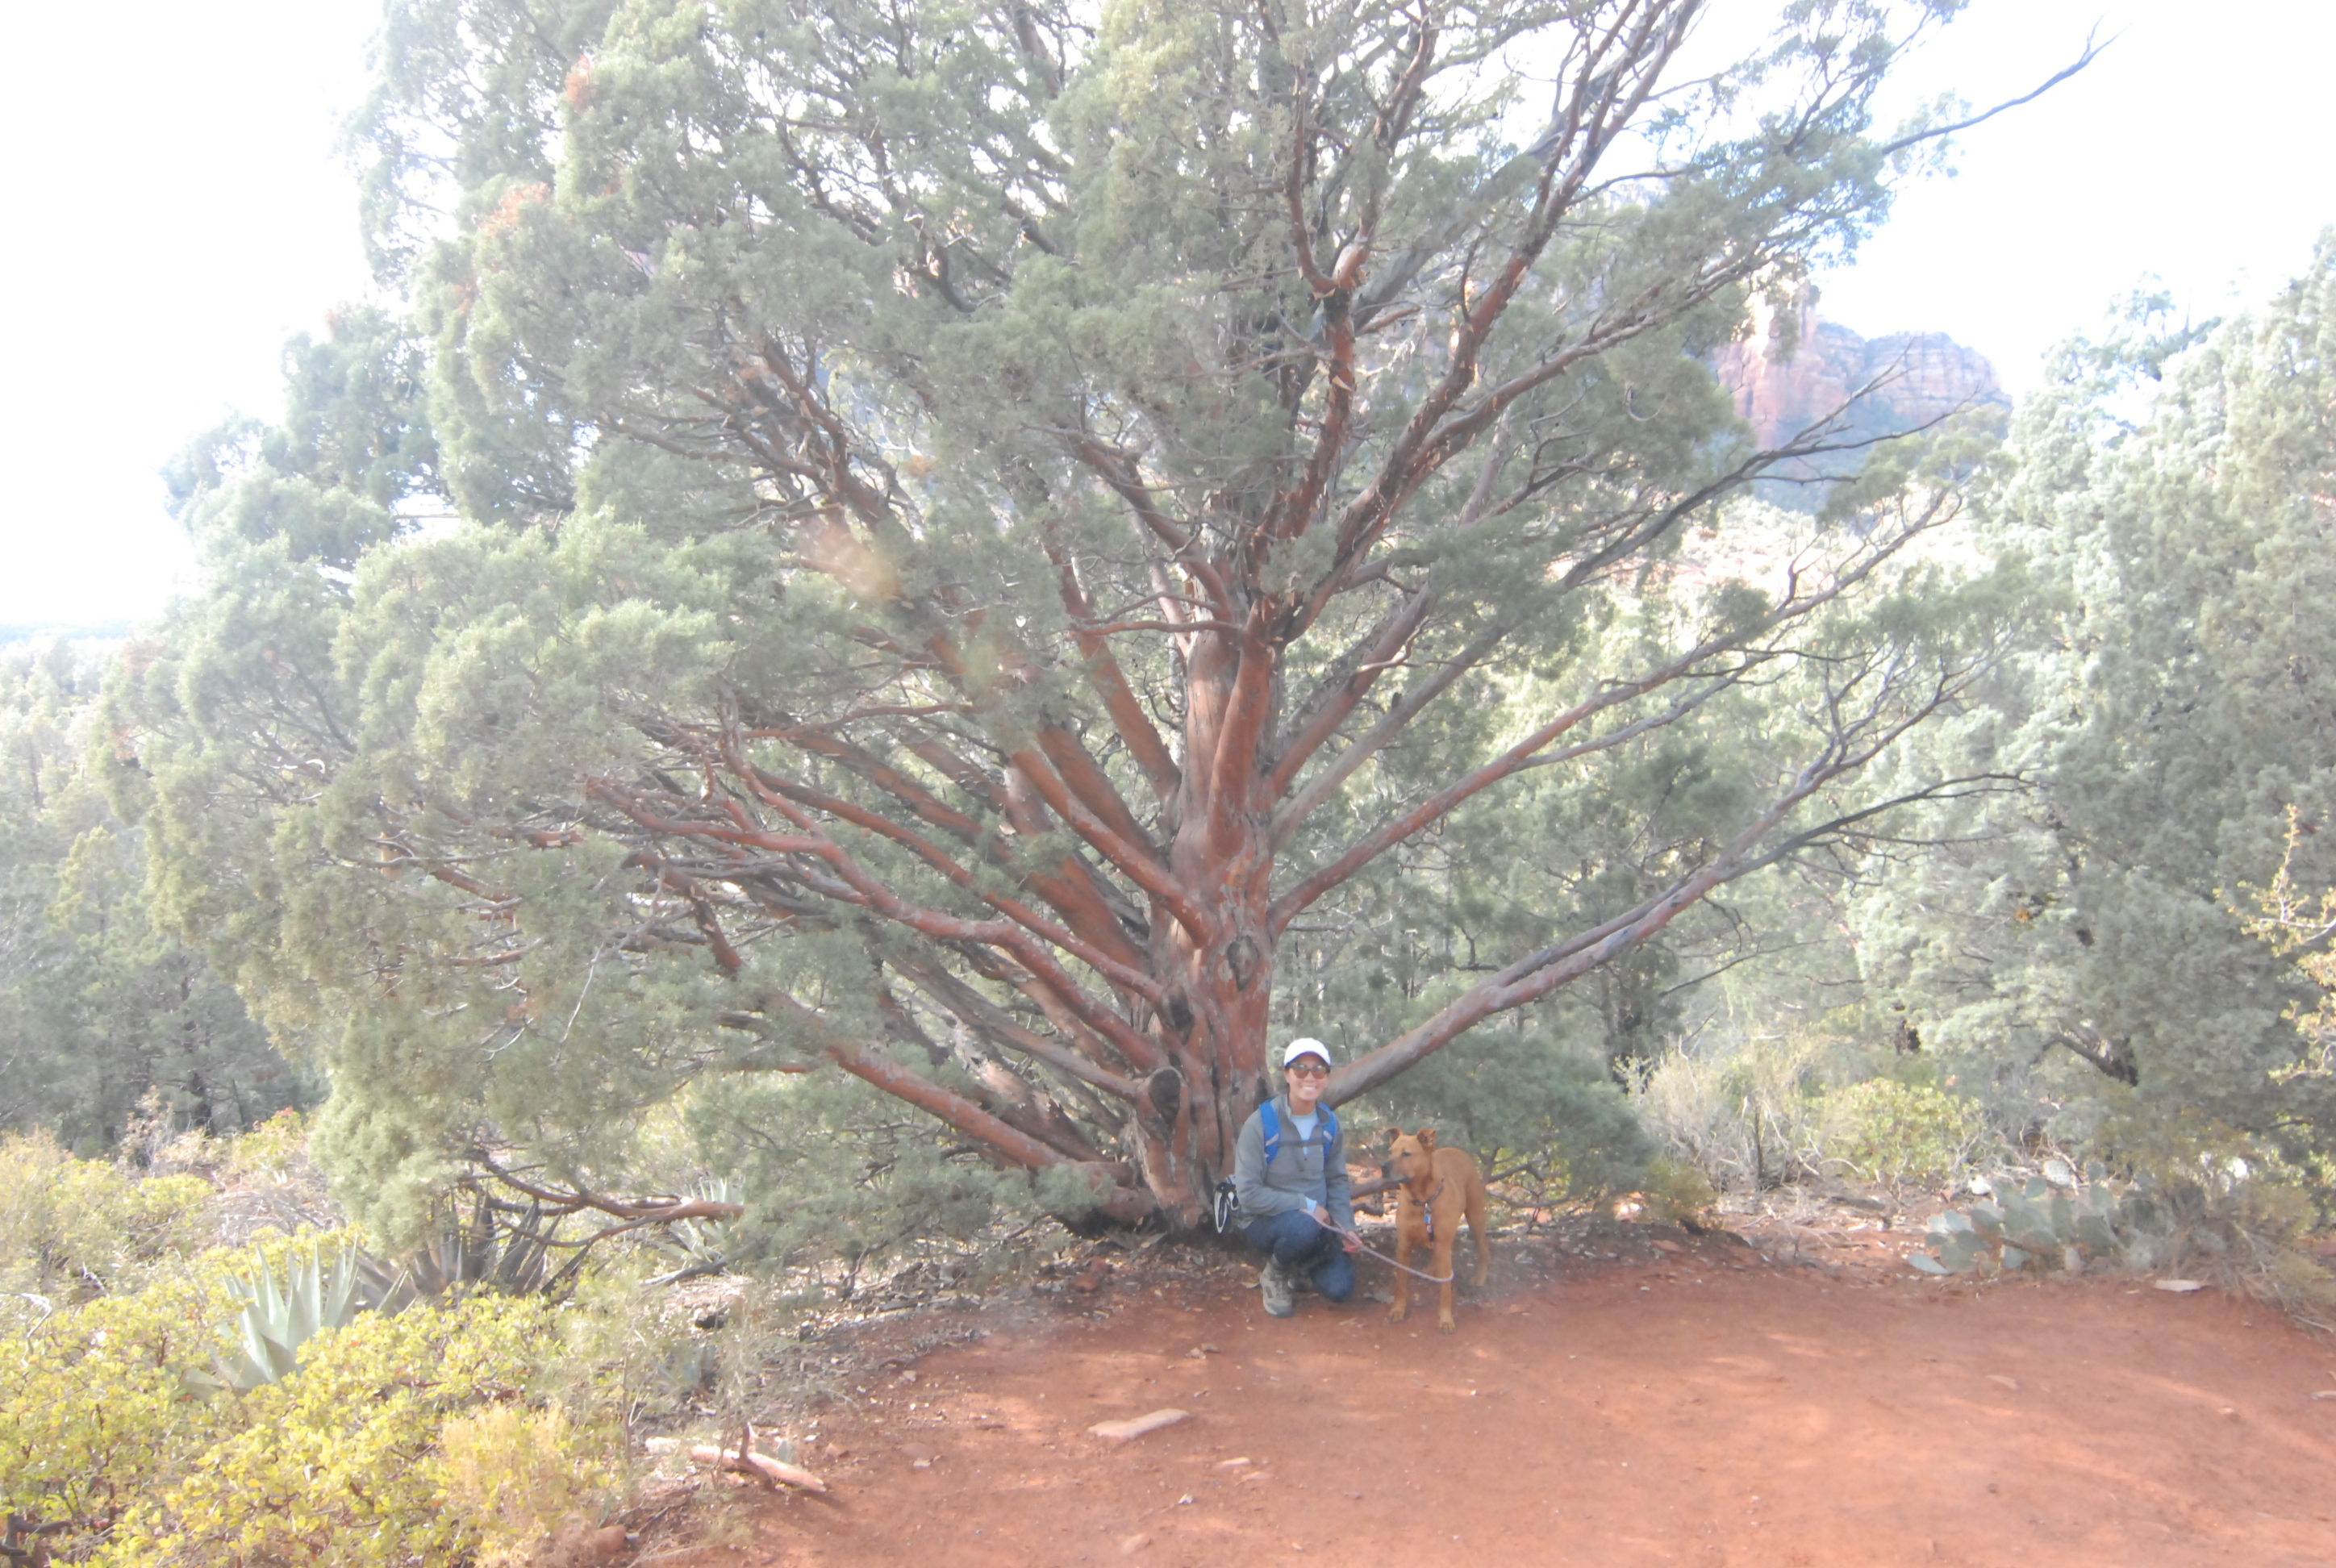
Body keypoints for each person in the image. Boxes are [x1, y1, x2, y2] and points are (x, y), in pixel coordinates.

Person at [1232, 1037, 1359, 1318]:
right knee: (1304, 1226)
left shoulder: (1329, 1124)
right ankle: (1276, 1273)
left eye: (1319, 1070)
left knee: (1340, 1289)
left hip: (1320, 1225)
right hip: (1268, 1222)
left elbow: (1337, 1180)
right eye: (1300, 1069)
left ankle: (1300, 1263)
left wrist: (1347, 1227)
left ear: (1327, 1077)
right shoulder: (1261, 1124)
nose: (1310, 1077)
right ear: (1287, 1074)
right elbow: (1248, 1194)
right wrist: (1308, 1206)